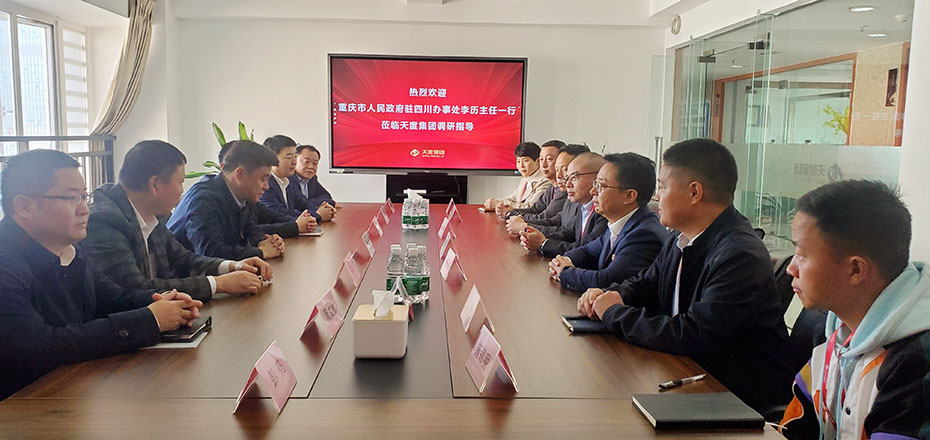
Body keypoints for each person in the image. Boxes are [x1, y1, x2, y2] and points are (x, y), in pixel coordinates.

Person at [576, 138, 793, 414]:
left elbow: (694, 333)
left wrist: (613, 313)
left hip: (734, 397)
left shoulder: (739, 254)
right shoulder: (680, 237)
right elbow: (646, 283)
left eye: (663, 187)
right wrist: (612, 295)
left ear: (694, 192)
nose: (656, 197)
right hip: (689, 375)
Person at [0, 149, 202, 400]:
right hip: (22, 406)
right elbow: (40, 347)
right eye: (70, 198)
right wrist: (150, 320)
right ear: (24, 206)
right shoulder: (5, 264)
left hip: (73, 391)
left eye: (84, 197)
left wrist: (162, 301)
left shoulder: (69, 248)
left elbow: (112, 298)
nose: (84, 210)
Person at [778, 180, 930, 439]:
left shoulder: (918, 362)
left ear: (856, 269)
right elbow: (795, 427)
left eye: (802, 254)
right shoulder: (836, 331)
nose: (791, 268)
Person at [84, 140, 273, 303]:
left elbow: (183, 259)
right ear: (155, 184)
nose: (182, 191)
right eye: (180, 182)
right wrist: (219, 284)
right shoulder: (105, 223)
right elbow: (136, 288)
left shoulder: (153, 213)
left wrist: (232, 266)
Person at [550, 153, 666, 292]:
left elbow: (606, 281)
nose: (593, 191)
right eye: (595, 184)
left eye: (601, 186)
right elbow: (587, 251)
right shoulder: (618, 222)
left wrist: (564, 272)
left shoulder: (644, 235)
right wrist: (563, 261)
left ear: (629, 196)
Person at [168, 140, 302, 259]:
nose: (266, 186)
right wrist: (260, 252)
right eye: (263, 179)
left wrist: (264, 240)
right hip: (182, 276)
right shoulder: (204, 200)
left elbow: (249, 229)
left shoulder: (242, 194)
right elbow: (209, 252)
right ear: (240, 174)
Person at [520, 152, 608, 258]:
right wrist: (536, 237)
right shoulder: (583, 206)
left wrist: (543, 243)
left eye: (574, 178)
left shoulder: (605, 211)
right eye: (567, 178)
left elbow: (587, 250)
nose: (568, 184)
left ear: (597, 178)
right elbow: (569, 234)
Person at [505, 144, 589, 235]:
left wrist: (524, 226)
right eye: (557, 169)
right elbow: (553, 219)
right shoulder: (562, 191)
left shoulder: (568, 193)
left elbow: (566, 233)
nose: (559, 176)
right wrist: (519, 220)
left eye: (565, 170)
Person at [259, 135, 321, 226]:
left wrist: (319, 211)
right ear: (272, 159)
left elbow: (303, 203)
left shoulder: (289, 181)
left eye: (295, 156)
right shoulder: (265, 184)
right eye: (289, 157)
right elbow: (277, 212)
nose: (294, 162)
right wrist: (317, 215)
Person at [499, 140, 565, 219]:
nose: (543, 165)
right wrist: (508, 211)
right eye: (541, 159)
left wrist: (510, 214)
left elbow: (545, 217)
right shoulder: (552, 187)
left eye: (549, 159)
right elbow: (535, 209)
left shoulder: (563, 188)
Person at [483, 142, 550, 212]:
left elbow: (530, 207)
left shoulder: (545, 181)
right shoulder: (526, 179)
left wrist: (499, 204)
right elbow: (513, 197)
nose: (521, 166)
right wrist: (495, 201)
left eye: (525, 161)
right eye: (518, 161)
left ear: (538, 161)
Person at [291, 144, 336, 222]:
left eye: (315, 163)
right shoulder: (288, 180)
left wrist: (324, 209)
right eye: (306, 162)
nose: (311, 166)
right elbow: (296, 206)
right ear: (294, 160)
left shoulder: (312, 179)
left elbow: (327, 198)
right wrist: (318, 211)